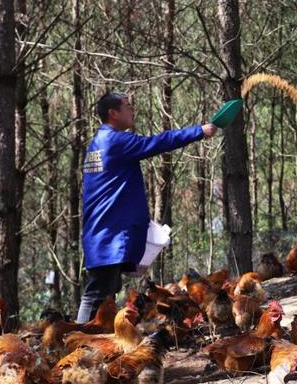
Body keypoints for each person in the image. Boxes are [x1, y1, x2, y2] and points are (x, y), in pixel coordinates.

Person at [77, 92, 218, 322]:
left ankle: (94, 338)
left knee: (107, 292)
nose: (132, 110)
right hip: (107, 233)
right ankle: (78, 337)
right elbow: (157, 142)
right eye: (127, 106)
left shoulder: (97, 143)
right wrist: (198, 131)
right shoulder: (115, 141)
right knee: (97, 292)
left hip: (102, 231)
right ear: (113, 113)